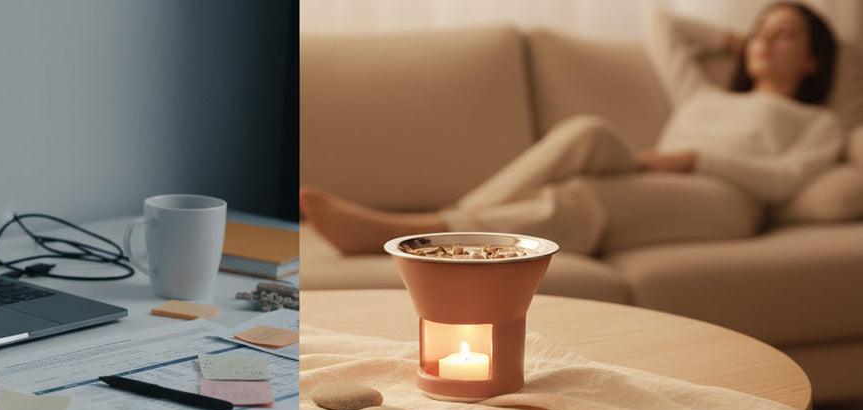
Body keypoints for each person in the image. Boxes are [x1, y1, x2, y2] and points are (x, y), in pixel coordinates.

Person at [301, 2, 844, 256]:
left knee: (581, 198)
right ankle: (441, 232)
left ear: (815, 60)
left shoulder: (817, 122)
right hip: (655, 176)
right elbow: (665, 22)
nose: (766, 42)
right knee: (586, 131)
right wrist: (740, 42)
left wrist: (694, 160)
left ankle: (413, 233)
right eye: (760, 32)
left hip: (726, 200)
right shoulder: (704, 93)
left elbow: (785, 180)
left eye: (786, 35)